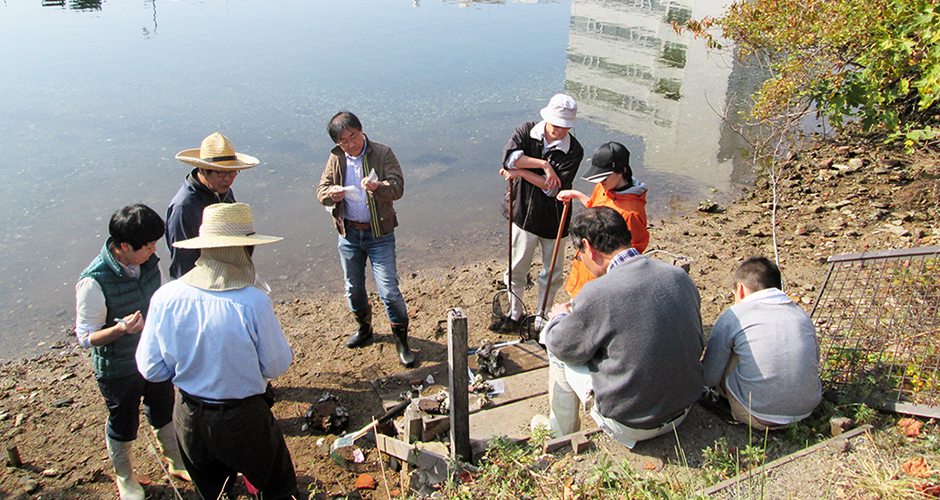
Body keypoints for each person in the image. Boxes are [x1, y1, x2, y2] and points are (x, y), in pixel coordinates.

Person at [137, 203, 304, 500]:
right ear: (246, 249)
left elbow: (151, 369)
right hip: (244, 418)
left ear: (204, 249)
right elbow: (276, 365)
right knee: (277, 487)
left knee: (211, 492)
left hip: (190, 416)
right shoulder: (252, 302)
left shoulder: (165, 297)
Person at [534, 206, 704, 448]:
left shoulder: (597, 292)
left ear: (588, 247)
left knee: (556, 344)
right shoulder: (678, 276)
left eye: (578, 253)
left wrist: (559, 318)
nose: (580, 259)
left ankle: (559, 433)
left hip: (631, 425)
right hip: (683, 410)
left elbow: (562, 345)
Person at [74, 204, 189, 500]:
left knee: (163, 407)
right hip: (119, 367)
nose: (153, 250)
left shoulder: (149, 263)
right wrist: (120, 331)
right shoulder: (93, 282)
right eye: (148, 245)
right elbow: (86, 337)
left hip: (153, 357)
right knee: (123, 422)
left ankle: (175, 460)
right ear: (124, 246)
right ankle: (124, 476)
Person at [316, 111, 415, 367]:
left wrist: (377, 187)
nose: (351, 144)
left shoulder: (382, 153)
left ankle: (402, 342)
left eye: (353, 137)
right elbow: (321, 192)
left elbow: (398, 188)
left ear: (362, 131)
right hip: (348, 234)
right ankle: (365, 328)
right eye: (344, 141)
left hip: (379, 234)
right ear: (337, 143)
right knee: (353, 288)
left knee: (389, 291)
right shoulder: (336, 158)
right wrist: (331, 194)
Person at [490, 93, 584, 333]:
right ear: (547, 119)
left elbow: (553, 188)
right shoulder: (526, 131)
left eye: (565, 127)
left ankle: (543, 315)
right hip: (522, 215)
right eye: (556, 124)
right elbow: (509, 160)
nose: (560, 131)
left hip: (555, 221)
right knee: (517, 266)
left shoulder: (574, 150)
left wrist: (522, 173)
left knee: (552, 272)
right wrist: (544, 165)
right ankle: (515, 311)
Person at [701, 257, 822, 430]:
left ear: (740, 290)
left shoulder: (735, 315)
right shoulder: (801, 315)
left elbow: (709, 377)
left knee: (730, 348)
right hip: (805, 411)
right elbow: (815, 359)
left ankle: (732, 402)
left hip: (756, 413)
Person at [557, 141, 649, 298]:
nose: (600, 182)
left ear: (623, 171)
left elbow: (632, 255)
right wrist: (576, 195)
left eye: (604, 178)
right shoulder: (604, 187)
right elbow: (594, 211)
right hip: (585, 265)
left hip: (602, 278)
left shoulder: (630, 213)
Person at [165, 132, 258, 279]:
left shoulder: (223, 191)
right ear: (202, 169)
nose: (227, 179)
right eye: (220, 173)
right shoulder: (183, 207)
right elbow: (183, 262)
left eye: (232, 172)